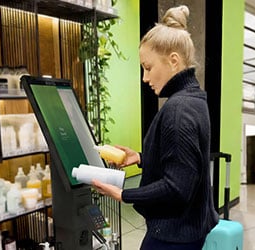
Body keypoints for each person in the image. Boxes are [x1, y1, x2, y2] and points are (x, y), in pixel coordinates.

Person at [91, 5, 219, 249]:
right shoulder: (195, 98)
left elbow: (177, 187)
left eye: (148, 68)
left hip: (174, 233)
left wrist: (123, 194)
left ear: (173, 61)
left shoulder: (178, 110)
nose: (145, 78)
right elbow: (184, 163)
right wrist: (141, 157)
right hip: (190, 227)